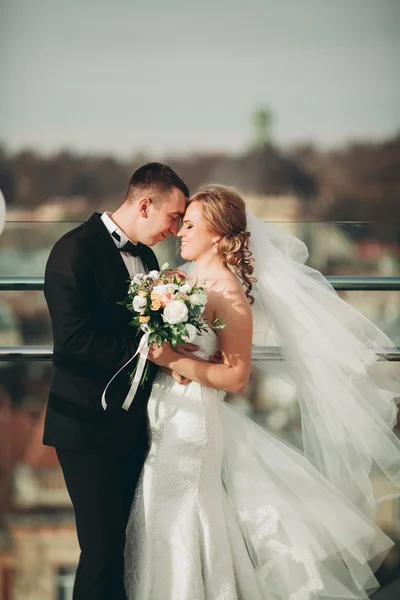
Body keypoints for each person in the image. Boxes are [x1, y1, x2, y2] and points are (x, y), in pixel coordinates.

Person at [124, 185, 400, 599]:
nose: (180, 231)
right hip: (163, 415)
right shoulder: (182, 281)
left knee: (182, 521)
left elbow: (236, 377)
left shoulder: (228, 292)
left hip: (194, 423)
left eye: (191, 224)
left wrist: (176, 362)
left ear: (217, 233)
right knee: (157, 518)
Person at [42, 163, 189, 600]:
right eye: (173, 217)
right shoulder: (72, 250)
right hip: (86, 426)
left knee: (129, 551)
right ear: (145, 204)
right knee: (102, 553)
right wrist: (153, 352)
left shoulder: (145, 256)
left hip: (133, 427)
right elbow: (74, 340)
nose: (176, 228)